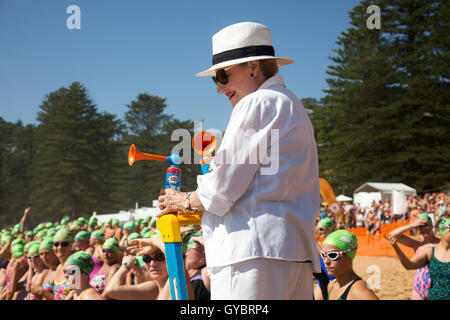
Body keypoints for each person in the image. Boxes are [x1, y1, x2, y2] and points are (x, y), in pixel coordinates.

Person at [157, 21, 320, 300]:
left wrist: (182, 200)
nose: (220, 88)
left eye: (223, 75)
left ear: (253, 67)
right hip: (292, 253)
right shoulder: (291, 104)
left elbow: (221, 187)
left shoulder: (256, 102)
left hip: (250, 255)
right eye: (216, 79)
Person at [386, 218, 450, 300]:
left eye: (426, 225)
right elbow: (392, 235)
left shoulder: (436, 245)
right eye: (420, 226)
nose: (423, 228)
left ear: (432, 226)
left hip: (433, 286)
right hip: (421, 286)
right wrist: (412, 225)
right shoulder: (420, 245)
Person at [317, 230, 378, 300]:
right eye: (323, 255)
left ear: (349, 255)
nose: (326, 261)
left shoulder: (358, 291)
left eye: (333, 255)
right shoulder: (331, 285)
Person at [52, 228, 74, 300]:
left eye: (64, 244)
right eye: (56, 244)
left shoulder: (74, 267)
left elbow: (78, 294)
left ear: (71, 245)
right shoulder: (59, 267)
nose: (60, 247)